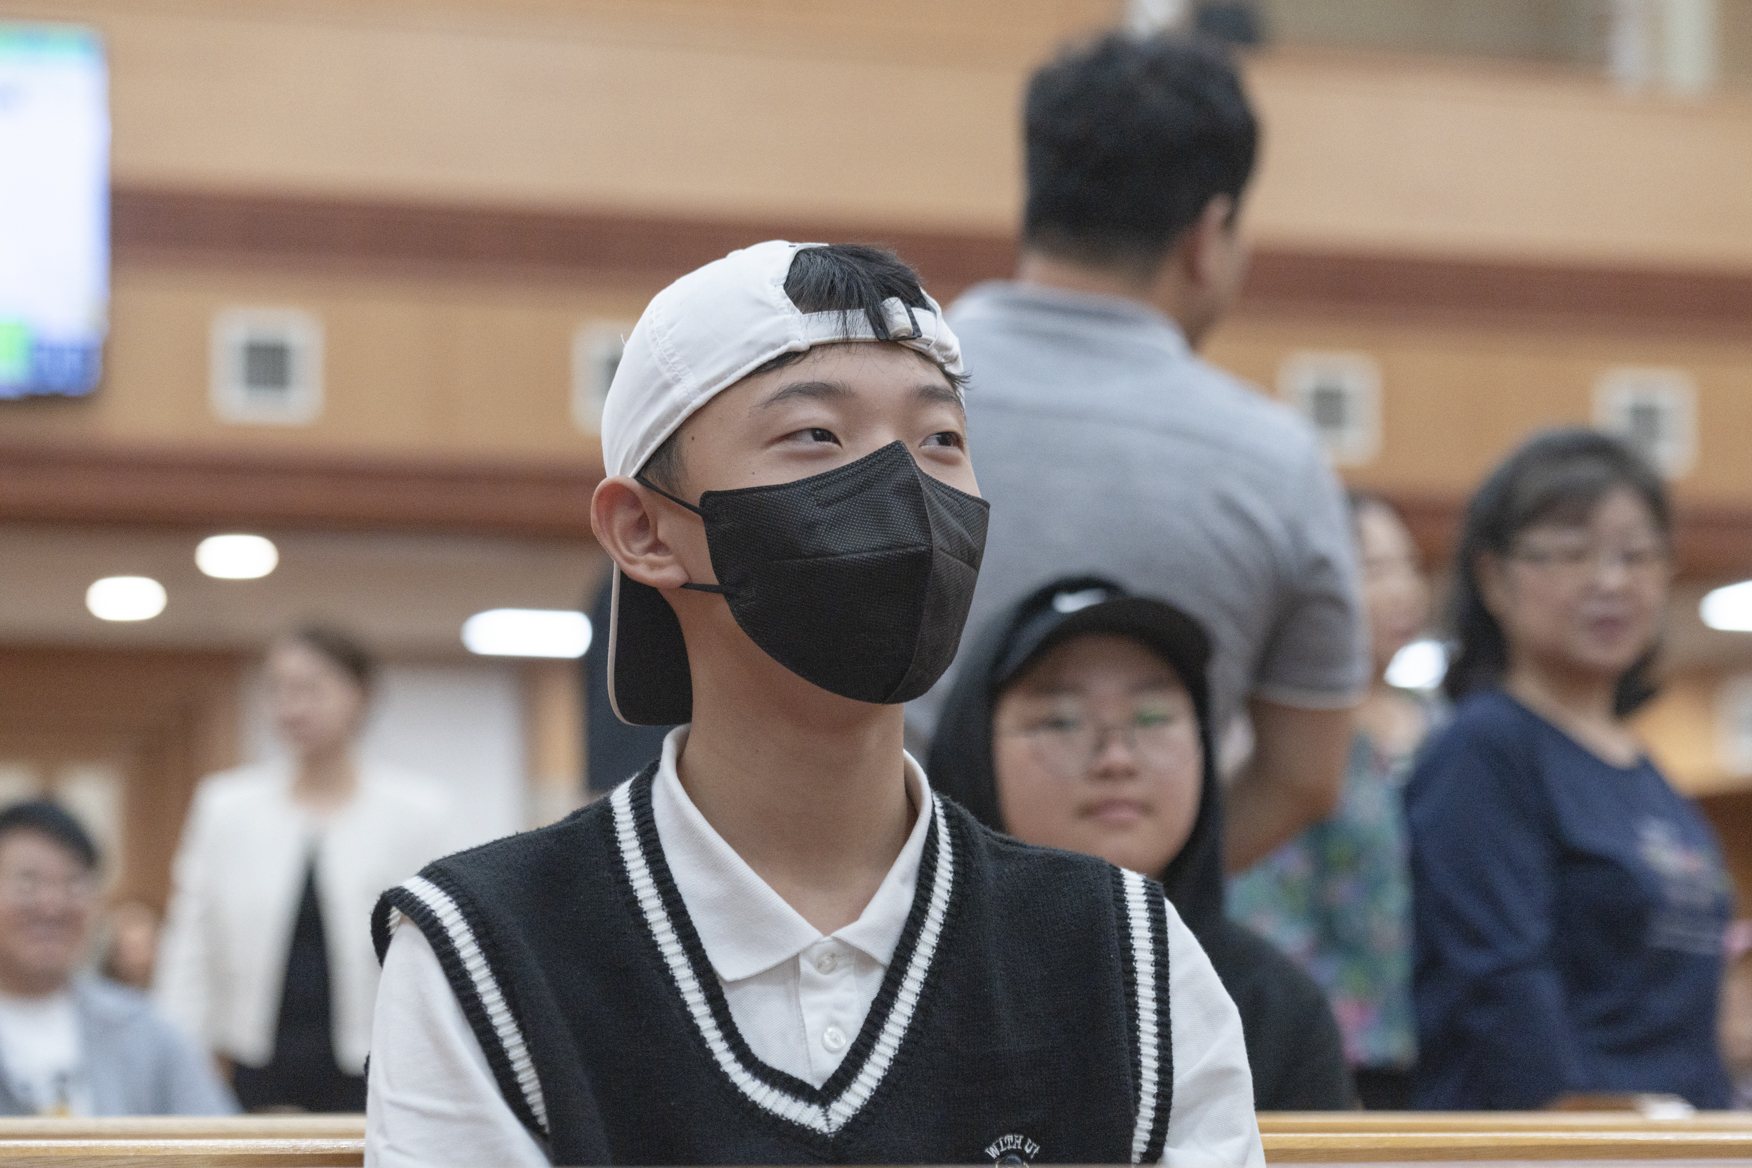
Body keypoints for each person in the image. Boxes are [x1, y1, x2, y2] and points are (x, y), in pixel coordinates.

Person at [365, 242, 1262, 1167]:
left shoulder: (1124, 949)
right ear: (643, 530)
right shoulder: (483, 952)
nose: (904, 488)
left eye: (940, 440)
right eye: (816, 435)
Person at [918, 31, 1366, 872]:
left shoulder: (884, 395)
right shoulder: (1276, 462)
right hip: (1124, 932)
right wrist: (1123, 896)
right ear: (1210, 234)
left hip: (861, 913)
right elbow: (1304, 778)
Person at [930, 576, 1352, 1111]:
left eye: (1153, 718)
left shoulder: (1276, 1008)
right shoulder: (913, 988)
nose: (1117, 760)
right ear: (972, 749)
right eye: (1060, 721)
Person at [1408, 429, 1732, 1109]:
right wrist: (1592, 1130)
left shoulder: (1646, 767)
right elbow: (1498, 990)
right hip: (1556, 1140)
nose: (1611, 582)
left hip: (1679, 1136)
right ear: (1493, 578)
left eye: (1636, 555)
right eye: (1571, 553)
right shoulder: (1485, 748)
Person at [156, 626, 456, 1113]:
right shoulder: (226, 806)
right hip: (247, 1058)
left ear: (361, 696)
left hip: (375, 1059)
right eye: (277, 690)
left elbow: (437, 949)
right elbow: (192, 940)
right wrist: (181, 1054)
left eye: (311, 689)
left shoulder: (417, 813)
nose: (291, 707)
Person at [1229, 495, 1437, 1109]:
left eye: (1411, 567)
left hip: (1442, 1047)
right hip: (1336, 1053)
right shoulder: (1283, 735)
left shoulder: (1442, 722)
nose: (1403, 590)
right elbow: (1267, 910)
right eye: (1375, 570)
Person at [0, 801, 233, 1116]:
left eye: (72, 883)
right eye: (27, 883)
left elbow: (219, 1135)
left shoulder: (148, 1032)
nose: (51, 906)